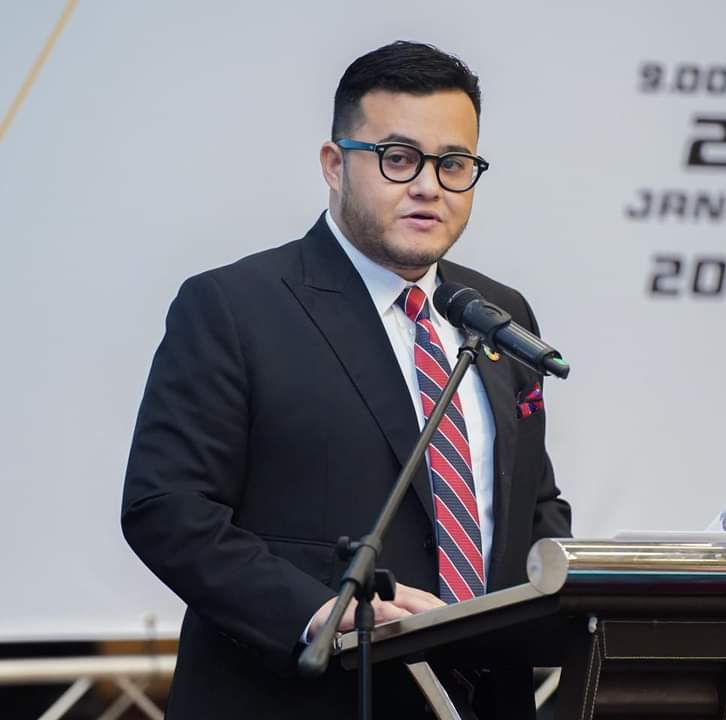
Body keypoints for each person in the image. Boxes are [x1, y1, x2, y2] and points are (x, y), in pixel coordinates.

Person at [121, 40, 571, 719]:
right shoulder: (235, 308)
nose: (428, 187)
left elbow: (532, 505)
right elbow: (168, 509)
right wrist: (320, 615)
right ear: (335, 165)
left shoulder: (498, 315)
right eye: (398, 158)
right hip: (305, 697)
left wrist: (568, 586)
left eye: (453, 164)